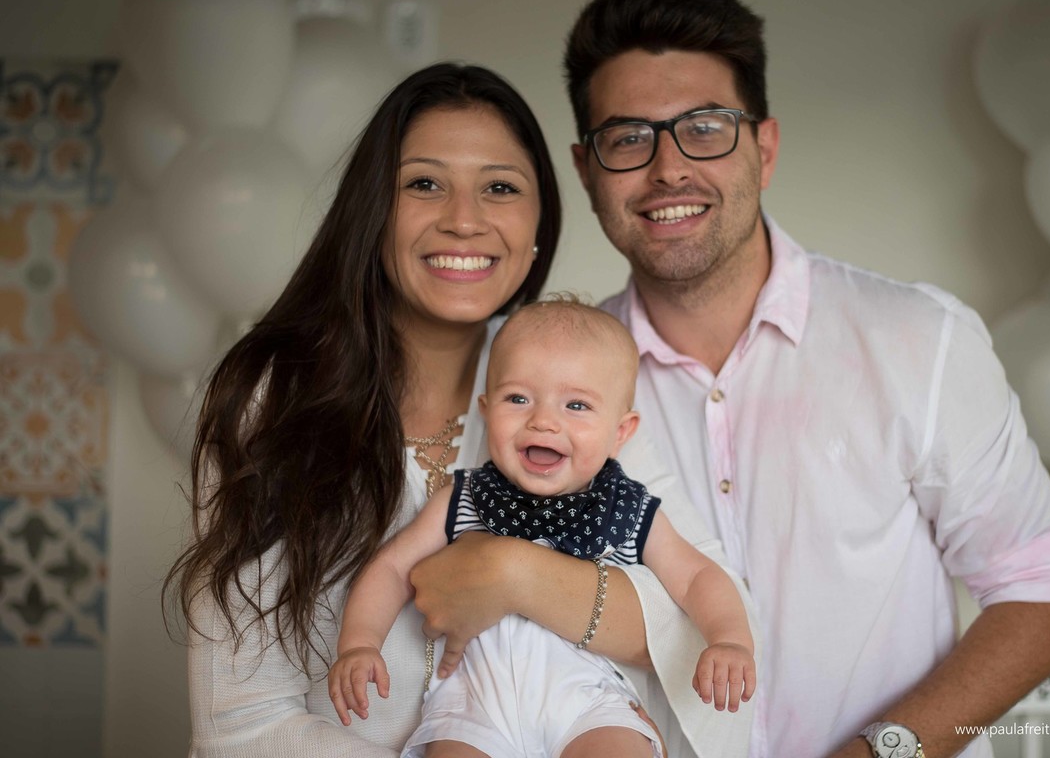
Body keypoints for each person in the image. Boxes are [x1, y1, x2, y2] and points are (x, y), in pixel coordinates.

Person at [562, 0, 1050, 758]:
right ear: (587, 170)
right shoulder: (545, 394)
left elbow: (1045, 592)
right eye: (627, 139)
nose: (668, 168)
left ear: (765, 149)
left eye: (705, 128)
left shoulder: (919, 338)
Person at [166, 62, 751, 757]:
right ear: (373, 213)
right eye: (424, 183)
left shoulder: (574, 386)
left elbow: (708, 617)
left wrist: (511, 573)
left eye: (500, 187)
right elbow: (241, 723)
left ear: (538, 224)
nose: (465, 220)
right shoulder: (272, 398)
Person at [327, 298, 756, 758]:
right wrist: (359, 643)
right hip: (475, 707)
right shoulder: (464, 495)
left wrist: (728, 639)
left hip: (588, 703)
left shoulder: (627, 509)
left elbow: (697, 576)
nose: (544, 421)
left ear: (621, 432)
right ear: (486, 410)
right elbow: (392, 568)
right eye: (518, 399)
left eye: (576, 405)